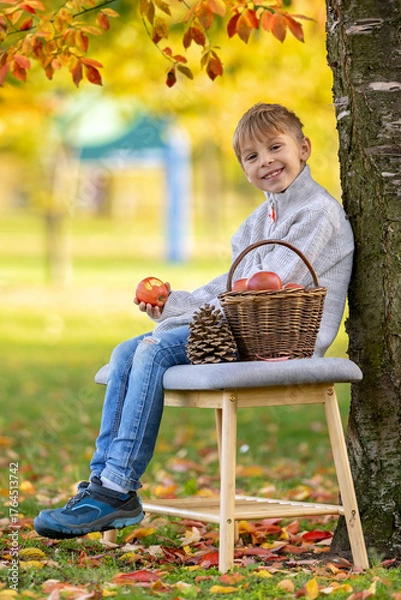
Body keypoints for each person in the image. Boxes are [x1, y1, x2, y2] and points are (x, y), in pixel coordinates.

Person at [34, 102, 354, 539]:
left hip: (280, 338)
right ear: (243, 168)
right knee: (126, 349)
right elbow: (232, 283)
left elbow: (268, 287)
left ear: (304, 148)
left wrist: (180, 319)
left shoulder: (317, 213)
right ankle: (101, 485)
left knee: (153, 348)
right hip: (243, 328)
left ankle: (118, 486)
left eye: (275, 147)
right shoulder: (257, 222)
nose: (266, 162)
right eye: (252, 156)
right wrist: (173, 305)